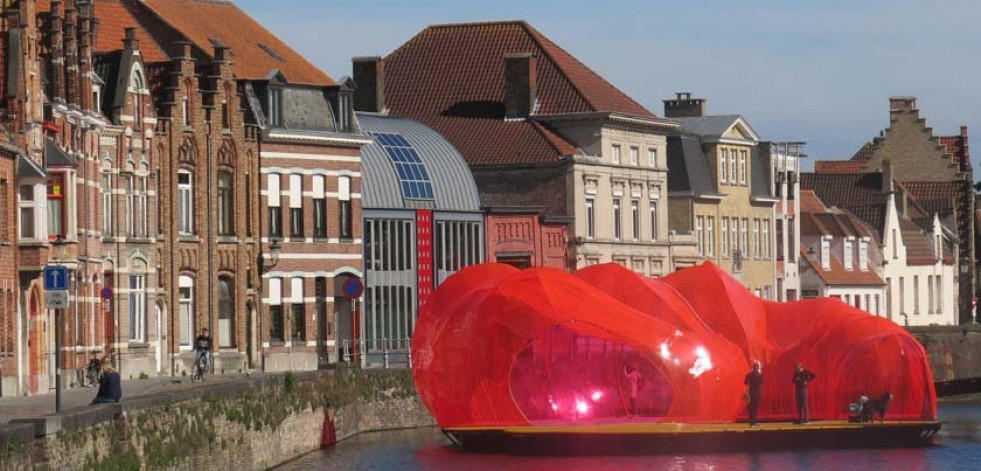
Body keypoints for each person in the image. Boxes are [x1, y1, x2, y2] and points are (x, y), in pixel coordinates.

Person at [744, 361, 763, 426]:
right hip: (757, 394)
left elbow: (745, 383)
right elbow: (761, 382)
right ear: (757, 368)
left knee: (750, 408)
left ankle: (751, 422)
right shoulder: (758, 375)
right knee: (755, 408)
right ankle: (754, 422)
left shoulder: (748, 375)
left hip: (749, 393)